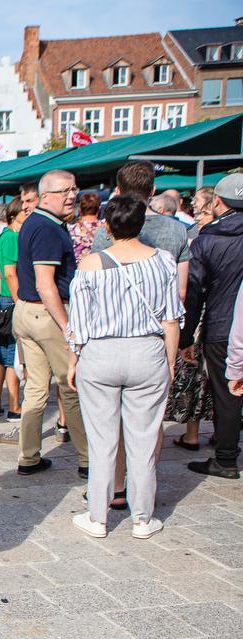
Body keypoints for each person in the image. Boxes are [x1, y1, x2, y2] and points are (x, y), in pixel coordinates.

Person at [67, 194, 182, 538]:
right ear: (141, 222)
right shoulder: (162, 261)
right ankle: (143, 518)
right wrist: (170, 362)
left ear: (107, 224)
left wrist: (73, 360)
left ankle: (98, 517)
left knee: (102, 441)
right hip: (147, 351)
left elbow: (79, 323)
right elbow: (171, 319)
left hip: (100, 353)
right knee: (144, 441)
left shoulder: (90, 264)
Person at [91, 162, 198, 459]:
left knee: (114, 419)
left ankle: (119, 485)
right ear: (152, 190)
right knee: (149, 420)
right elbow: (181, 292)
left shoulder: (106, 233)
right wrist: (174, 350)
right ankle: (145, 485)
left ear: (118, 189)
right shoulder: (177, 230)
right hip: (157, 335)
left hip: (112, 333)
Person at [13, 169, 88, 477]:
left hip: (28, 313)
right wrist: (67, 325)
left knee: (36, 389)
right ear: (46, 197)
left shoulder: (37, 222)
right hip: (45, 315)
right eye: (64, 191)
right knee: (71, 387)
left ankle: (29, 456)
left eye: (74, 189)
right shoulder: (46, 227)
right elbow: (46, 283)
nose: (72, 196)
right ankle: (88, 459)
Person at [182, 173, 243, 479]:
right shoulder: (208, 238)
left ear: (217, 202)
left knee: (227, 393)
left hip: (223, 325)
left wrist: (186, 336)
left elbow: (194, 291)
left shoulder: (207, 238)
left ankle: (226, 457)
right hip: (224, 323)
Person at [0, 198, 25, 420]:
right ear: (14, 216)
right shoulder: (12, 237)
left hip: (0, 300)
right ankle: (14, 406)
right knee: (12, 356)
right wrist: (19, 301)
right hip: (10, 300)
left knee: (0, 356)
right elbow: (11, 273)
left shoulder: (3, 236)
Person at [69, 192, 103, 261]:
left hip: (80, 269)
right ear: (99, 210)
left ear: (80, 210)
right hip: (102, 267)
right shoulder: (106, 227)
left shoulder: (71, 229)